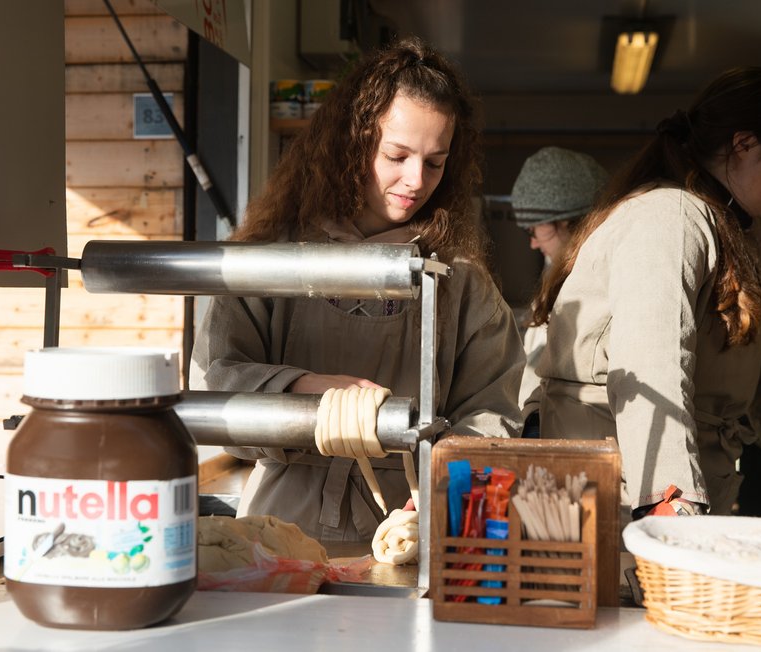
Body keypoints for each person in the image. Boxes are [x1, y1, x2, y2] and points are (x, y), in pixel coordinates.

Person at [525, 67, 761, 527]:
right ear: (743, 145)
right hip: (612, 489)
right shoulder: (669, 218)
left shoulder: (746, 232)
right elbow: (652, 368)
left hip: (686, 484)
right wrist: (670, 498)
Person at [189, 37, 525, 543]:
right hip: (279, 529)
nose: (415, 180)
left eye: (435, 162)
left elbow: (493, 411)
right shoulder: (271, 257)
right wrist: (311, 391)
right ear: (352, 141)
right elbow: (215, 383)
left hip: (411, 529)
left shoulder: (461, 281)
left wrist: (449, 487)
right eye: (397, 155)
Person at [509, 146, 608, 408]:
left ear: (564, 221)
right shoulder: (560, 270)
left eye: (532, 230)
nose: (532, 243)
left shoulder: (594, 282)